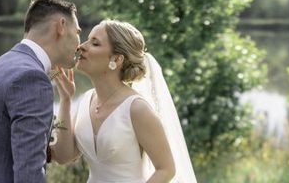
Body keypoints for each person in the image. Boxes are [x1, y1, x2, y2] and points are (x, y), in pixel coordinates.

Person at [51, 19, 197, 183]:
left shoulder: (136, 108)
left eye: (95, 43)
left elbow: (166, 169)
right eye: (87, 39)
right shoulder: (86, 100)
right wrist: (65, 100)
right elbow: (64, 156)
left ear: (116, 59)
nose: (82, 46)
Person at [0, 0, 82, 183]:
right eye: (77, 31)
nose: (80, 43)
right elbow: (29, 174)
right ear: (61, 26)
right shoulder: (31, 79)